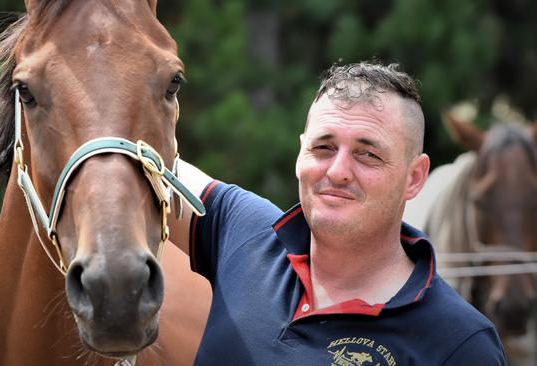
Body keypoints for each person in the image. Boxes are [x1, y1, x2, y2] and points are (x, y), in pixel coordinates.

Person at [168, 61, 506, 365]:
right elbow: (143, 158)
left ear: (413, 178)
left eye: (368, 154)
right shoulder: (241, 232)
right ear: (300, 154)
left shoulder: (461, 344)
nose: (338, 171)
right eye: (323, 147)